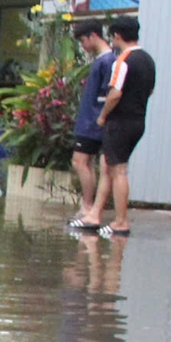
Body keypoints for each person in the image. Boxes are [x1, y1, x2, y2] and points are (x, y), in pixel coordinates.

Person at [93, 17, 154, 238]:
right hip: (139, 120)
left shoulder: (122, 61)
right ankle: (105, 216)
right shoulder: (148, 60)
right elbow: (149, 91)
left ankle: (121, 221)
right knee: (113, 167)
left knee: (119, 171)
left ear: (117, 36)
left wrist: (103, 116)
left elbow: (115, 93)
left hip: (120, 122)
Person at [68, 20, 114, 231]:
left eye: (83, 41)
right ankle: (88, 205)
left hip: (92, 122)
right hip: (90, 120)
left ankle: (88, 206)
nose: (83, 46)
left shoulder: (106, 62)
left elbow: (106, 94)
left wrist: (98, 119)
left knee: (80, 161)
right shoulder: (102, 61)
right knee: (87, 163)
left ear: (93, 36)